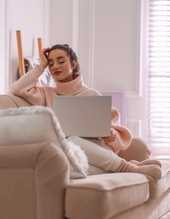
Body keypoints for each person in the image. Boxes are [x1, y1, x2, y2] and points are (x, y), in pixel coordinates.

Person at [11, 44, 162, 179]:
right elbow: (16, 89)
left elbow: (114, 129)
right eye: (50, 64)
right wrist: (40, 66)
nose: (55, 66)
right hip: (74, 153)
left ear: (73, 63)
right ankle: (130, 165)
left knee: (71, 140)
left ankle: (128, 168)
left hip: (98, 147)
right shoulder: (45, 93)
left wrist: (111, 135)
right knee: (72, 165)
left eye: (61, 61)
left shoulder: (92, 95)